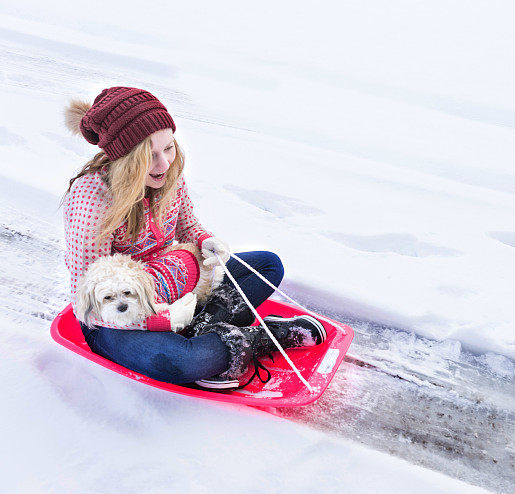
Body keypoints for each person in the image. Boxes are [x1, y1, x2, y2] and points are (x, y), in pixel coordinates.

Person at [60, 86, 325, 390]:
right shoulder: (92, 199)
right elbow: (88, 299)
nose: (164, 163)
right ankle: (259, 337)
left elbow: (188, 226)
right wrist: (161, 321)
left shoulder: (166, 173)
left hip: (176, 282)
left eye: (168, 147)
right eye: (150, 155)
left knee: (267, 266)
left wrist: (205, 241)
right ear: (126, 159)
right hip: (119, 317)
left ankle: (202, 324)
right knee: (186, 362)